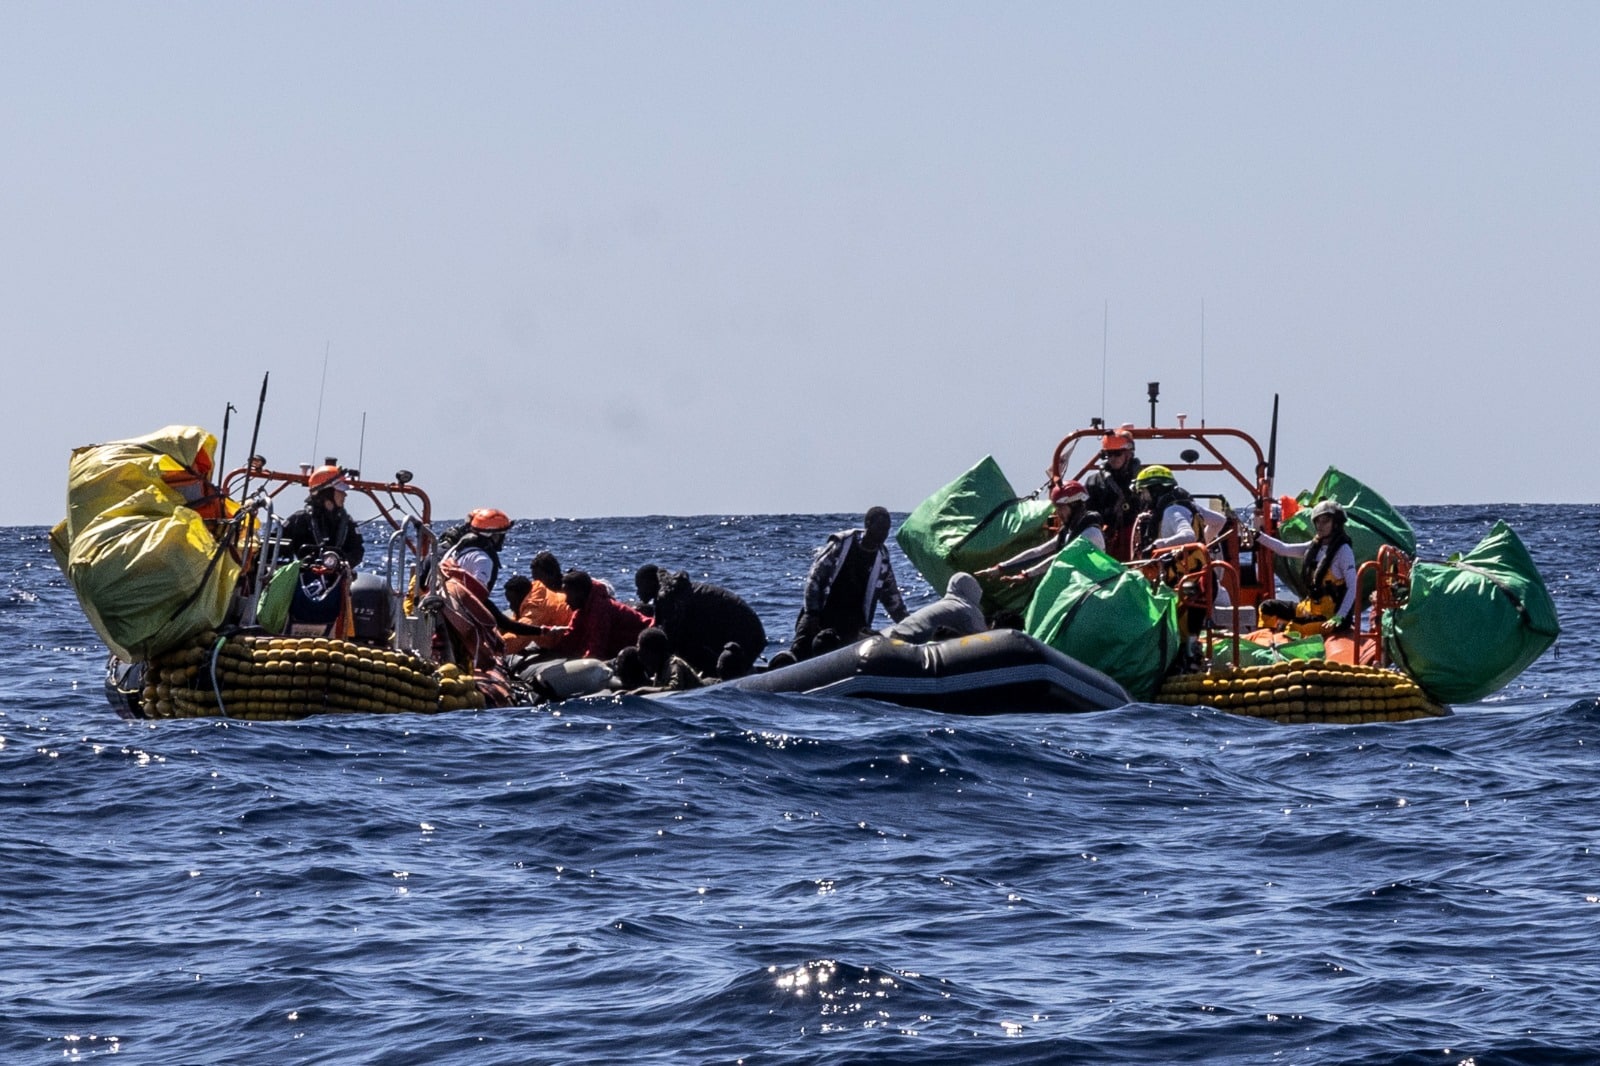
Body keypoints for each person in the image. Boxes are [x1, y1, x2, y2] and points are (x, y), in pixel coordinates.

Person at [792, 506, 908, 658]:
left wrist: (908, 625)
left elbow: (891, 597)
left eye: (886, 530)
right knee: (803, 644)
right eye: (880, 528)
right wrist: (812, 613)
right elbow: (815, 577)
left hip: (853, 621)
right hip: (822, 612)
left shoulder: (882, 559)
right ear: (868, 524)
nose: (883, 534)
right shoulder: (842, 544)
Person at [1254, 498, 1359, 634]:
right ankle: (1265, 643)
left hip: (1329, 617)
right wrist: (1258, 536)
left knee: (1295, 628)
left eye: (1325, 521)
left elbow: (1353, 586)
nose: (1320, 526)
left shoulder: (1343, 551)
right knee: (1266, 607)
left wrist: (1340, 616)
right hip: (1309, 608)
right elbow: (1283, 549)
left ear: (1336, 524)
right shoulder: (1315, 546)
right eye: (1318, 521)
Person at [976, 480, 1106, 587]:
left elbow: (1061, 558)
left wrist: (1026, 574)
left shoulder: (1091, 533)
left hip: (1093, 586)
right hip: (1076, 585)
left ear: (1075, 505)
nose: (1059, 514)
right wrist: (1000, 568)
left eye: (1062, 508)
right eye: (1057, 508)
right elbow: (1038, 551)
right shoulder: (1068, 531)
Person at [645, 566, 768, 677]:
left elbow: (671, 640)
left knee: (684, 644)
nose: (638, 592)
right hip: (751, 633)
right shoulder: (679, 592)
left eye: (640, 586)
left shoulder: (669, 597)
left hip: (747, 636)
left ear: (650, 584)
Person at [549, 569, 653, 661]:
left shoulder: (600, 609)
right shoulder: (582, 608)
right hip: (622, 648)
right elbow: (571, 637)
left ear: (580, 593)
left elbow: (596, 650)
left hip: (649, 639)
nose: (566, 601)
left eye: (568, 595)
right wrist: (550, 654)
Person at [1128, 466, 1227, 559]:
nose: (1142, 497)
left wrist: (1157, 545)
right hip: (1194, 571)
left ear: (1155, 491)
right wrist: (1201, 544)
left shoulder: (1172, 511)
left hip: (1181, 575)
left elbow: (1188, 536)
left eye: (1143, 492)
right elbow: (1219, 520)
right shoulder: (1190, 506)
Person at [282, 465, 365, 567]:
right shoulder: (298, 520)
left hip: (337, 577)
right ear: (326, 492)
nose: (345, 495)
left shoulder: (348, 524)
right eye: (340, 490)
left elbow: (357, 551)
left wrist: (342, 564)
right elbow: (275, 547)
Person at [1082, 429, 1144, 560]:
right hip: (1105, 540)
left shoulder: (1143, 479)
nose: (1112, 458)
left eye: (1117, 454)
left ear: (1128, 454)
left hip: (1139, 539)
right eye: (1109, 454)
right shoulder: (1094, 482)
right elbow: (1085, 515)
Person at [502, 550, 575, 655]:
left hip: (570, 638)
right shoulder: (534, 596)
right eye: (534, 578)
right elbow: (516, 623)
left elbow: (520, 635)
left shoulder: (539, 602)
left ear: (552, 574)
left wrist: (488, 650)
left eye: (539, 578)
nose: (537, 581)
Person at [882, 572, 988, 643]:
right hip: (907, 641)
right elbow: (986, 640)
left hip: (890, 635)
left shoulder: (947, 604)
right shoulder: (966, 609)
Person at [621, 627, 704, 693]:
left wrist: (642, 690)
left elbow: (676, 689)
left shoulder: (674, 664)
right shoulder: (659, 670)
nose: (641, 660)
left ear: (654, 652)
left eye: (643, 655)